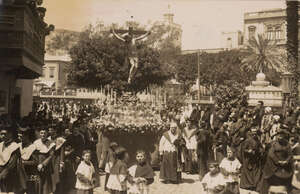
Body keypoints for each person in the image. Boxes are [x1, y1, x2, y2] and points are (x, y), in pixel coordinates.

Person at [260, 130, 293, 194]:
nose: (280, 137)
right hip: (274, 164)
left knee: (288, 175)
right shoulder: (273, 144)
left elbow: (290, 154)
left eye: (282, 135)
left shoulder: (287, 144)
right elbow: (271, 154)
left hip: (285, 164)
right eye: (279, 135)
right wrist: (277, 161)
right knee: (267, 177)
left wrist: (286, 161)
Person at [0, 125, 26, 193]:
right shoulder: (0, 145)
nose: (2, 136)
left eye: (4, 134)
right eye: (1, 134)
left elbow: (12, 163)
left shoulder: (14, 146)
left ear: (10, 134)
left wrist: (3, 174)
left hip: (11, 173)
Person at [34, 127, 56, 194]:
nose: (43, 135)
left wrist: (43, 164)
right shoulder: (36, 142)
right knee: (38, 182)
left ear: (47, 134)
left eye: (44, 133)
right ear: (39, 134)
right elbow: (34, 154)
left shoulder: (51, 143)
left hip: (46, 164)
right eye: (41, 133)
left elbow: (51, 156)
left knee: (46, 183)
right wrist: (37, 163)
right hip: (37, 163)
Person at [18, 126, 39, 194]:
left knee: (31, 191)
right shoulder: (18, 145)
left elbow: (36, 162)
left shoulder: (33, 147)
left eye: (21, 137)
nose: (19, 138)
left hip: (30, 174)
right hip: (19, 174)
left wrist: (24, 162)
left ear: (27, 136)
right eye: (19, 136)